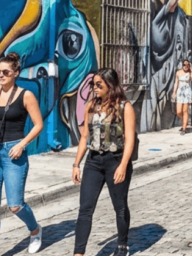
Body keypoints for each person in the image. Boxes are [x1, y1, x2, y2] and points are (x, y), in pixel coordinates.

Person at [0, 52, 44, 256]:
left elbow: (38, 125)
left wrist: (22, 144)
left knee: (15, 205)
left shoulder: (26, 95)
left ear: (16, 73)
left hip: (13, 152)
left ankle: (35, 229)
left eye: (5, 72)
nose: (0, 75)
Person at [72, 68, 137, 256]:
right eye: (93, 84)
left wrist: (123, 165)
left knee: (120, 206)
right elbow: (84, 137)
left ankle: (122, 244)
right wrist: (76, 164)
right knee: (85, 208)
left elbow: (130, 139)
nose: (94, 88)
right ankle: (78, 253)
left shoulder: (125, 107)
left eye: (99, 85)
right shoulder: (91, 106)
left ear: (110, 85)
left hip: (115, 160)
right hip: (93, 161)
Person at [172, 60, 192, 134]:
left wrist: (191, 70)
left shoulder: (190, 72)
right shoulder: (178, 72)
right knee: (178, 111)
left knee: (185, 111)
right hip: (180, 92)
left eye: (187, 65)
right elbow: (176, 83)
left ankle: (184, 127)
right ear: (182, 65)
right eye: (184, 64)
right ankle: (185, 122)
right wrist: (174, 92)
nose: (186, 66)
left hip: (187, 92)